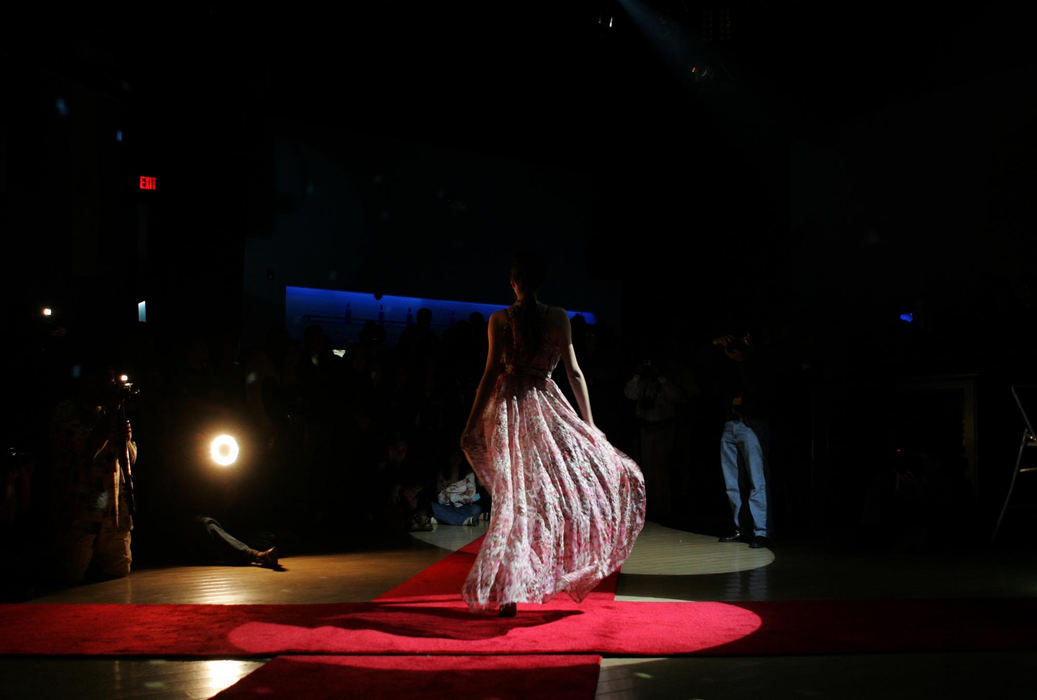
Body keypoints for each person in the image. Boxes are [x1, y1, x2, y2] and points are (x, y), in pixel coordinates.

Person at [460, 251, 646, 616]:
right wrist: (590, 423)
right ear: (541, 282)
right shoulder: (557, 317)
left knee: (514, 498)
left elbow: (487, 376)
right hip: (544, 404)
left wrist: (471, 421)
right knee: (545, 493)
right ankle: (538, 573)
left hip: (509, 409)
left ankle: (511, 587)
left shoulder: (499, 319)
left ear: (513, 282)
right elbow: (574, 372)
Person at [714, 331, 771, 548]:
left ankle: (761, 530)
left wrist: (743, 357)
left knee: (757, 479)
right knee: (732, 481)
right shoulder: (728, 366)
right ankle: (740, 528)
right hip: (730, 423)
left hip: (750, 424)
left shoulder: (756, 364)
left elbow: (759, 390)